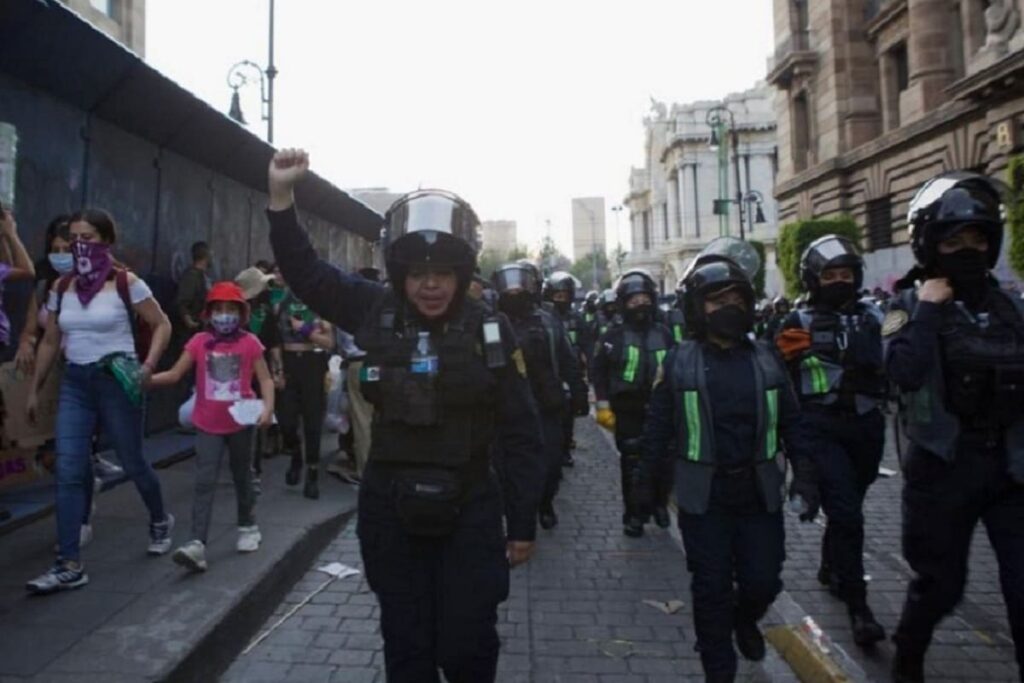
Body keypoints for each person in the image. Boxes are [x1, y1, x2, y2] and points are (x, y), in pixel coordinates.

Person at [265, 148, 544, 682]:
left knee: (467, 647)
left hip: (472, 510)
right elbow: (306, 274)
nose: (431, 285)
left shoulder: (490, 331)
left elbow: (522, 430)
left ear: (462, 274)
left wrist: (524, 521)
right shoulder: (376, 309)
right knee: (407, 649)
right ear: (401, 273)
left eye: (443, 272)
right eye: (419, 272)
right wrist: (281, 197)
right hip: (392, 509)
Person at [639, 255, 810, 683]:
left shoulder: (767, 357)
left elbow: (793, 422)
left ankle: (745, 619)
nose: (728, 307)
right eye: (716, 301)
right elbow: (659, 428)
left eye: (736, 298)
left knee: (763, 580)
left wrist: (807, 475)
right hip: (704, 498)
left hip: (759, 494)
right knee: (711, 588)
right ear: (698, 308)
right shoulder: (678, 361)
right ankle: (719, 668)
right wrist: (646, 485)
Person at [885, 172, 1024, 683]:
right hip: (942, 470)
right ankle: (909, 649)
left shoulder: (1012, 306)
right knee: (941, 586)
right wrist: (927, 310)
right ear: (931, 245)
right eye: (953, 240)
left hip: (1010, 469)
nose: (967, 249)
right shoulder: (901, 308)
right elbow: (901, 372)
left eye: (978, 238)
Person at [24, 208, 173, 595]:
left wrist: (149, 365)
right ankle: (69, 564)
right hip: (76, 382)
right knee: (70, 469)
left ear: (106, 241)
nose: (78, 245)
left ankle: (160, 518)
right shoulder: (61, 287)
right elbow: (53, 340)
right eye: (73, 238)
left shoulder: (126, 283)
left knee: (133, 461)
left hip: (116, 381)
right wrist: (35, 388)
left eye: (87, 237)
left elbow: (162, 324)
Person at [775, 235, 888, 647]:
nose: (839, 281)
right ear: (813, 279)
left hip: (866, 426)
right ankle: (859, 607)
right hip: (821, 427)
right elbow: (782, 379)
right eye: (830, 274)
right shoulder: (797, 323)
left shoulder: (875, 316)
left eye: (846, 274)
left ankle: (830, 562)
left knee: (850, 507)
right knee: (847, 513)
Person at [149, 282, 273, 571]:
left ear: (241, 313)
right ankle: (197, 543)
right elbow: (176, 373)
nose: (224, 315)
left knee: (243, 476)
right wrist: (147, 379)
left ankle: (248, 526)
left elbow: (265, 379)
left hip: (242, 420)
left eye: (231, 309)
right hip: (207, 422)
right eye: (219, 309)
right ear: (209, 313)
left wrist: (267, 408)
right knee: (204, 481)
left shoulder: (250, 343)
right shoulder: (198, 342)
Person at [496, 264, 587, 529]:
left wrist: (578, 390)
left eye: (519, 286)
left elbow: (566, 357)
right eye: (509, 287)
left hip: (546, 401)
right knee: (507, 463)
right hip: (507, 405)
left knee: (550, 461)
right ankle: (514, 508)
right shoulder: (492, 322)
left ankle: (545, 502)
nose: (515, 292)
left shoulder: (547, 321)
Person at [592, 270, 675, 536]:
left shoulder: (664, 334)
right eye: (633, 300)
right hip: (628, 409)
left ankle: (660, 504)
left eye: (644, 299)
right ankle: (634, 514)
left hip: (662, 408)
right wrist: (602, 404)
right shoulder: (611, 337)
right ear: (623, 303)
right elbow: (599, 372)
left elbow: (677, 368)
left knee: (664, 461)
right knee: (632, 463)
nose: (640, 305)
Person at [274, 277, 335, 499]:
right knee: (286, 420)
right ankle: (295, 454)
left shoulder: (320, 305)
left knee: (312, 421)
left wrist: (308, 331)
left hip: (312, 363)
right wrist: (278, 369)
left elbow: (329, 342)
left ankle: (311, 473)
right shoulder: (281, 302)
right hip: (289, 362)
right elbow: (274, 340)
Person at [235, 266, 284, 491]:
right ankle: (248, 468)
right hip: (240, 372)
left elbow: (273, 341)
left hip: (253, 372)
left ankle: (250, 469)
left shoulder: (260, 309)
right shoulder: (235, 311)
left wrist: (277, 369)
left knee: (250, 421)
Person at [543, 270, 590, 468]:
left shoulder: (576, 319)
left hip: (571, 370)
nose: (560, 300)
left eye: (564, 296)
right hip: (551, 371)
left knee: (568, 411)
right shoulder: (544, 319)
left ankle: (565, 447)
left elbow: (586, 342)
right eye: (556, 296)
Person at [176, 241, 212, 335]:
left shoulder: (202, 276)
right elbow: (182, 301)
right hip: (191, 330)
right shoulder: (191, 276)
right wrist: (189, 321)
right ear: (206, 255)